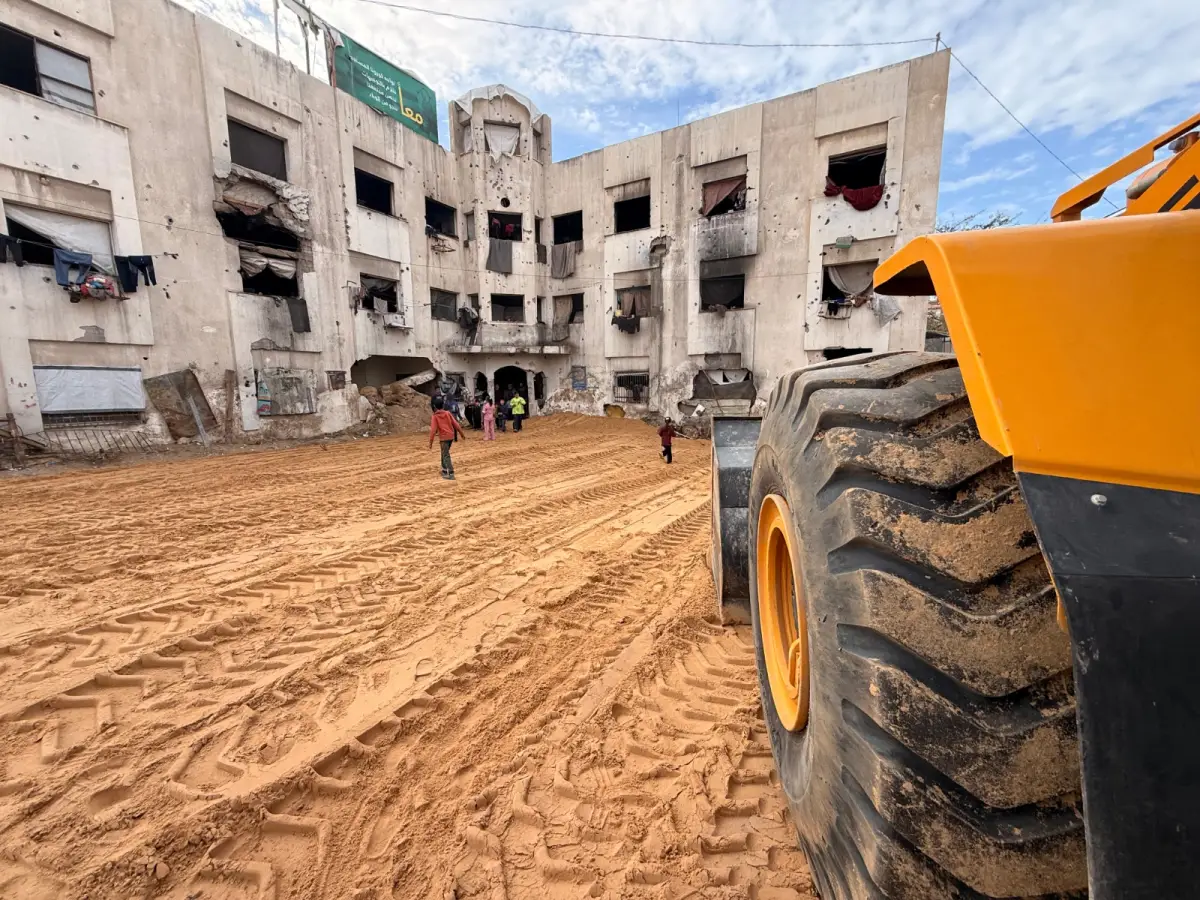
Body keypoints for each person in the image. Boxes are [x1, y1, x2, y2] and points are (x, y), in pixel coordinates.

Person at [429, 396, 466, 479]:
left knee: (445, 455)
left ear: (434, 407)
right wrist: (461, 433)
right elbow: (455, 424)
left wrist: (430, 442)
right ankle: (444, 470)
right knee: (444, 453)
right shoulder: (448, 413)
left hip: (443, 438)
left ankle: (451, 473)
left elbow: (433, 431)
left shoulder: (435, 417)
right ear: (443, 405)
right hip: (451, 437)